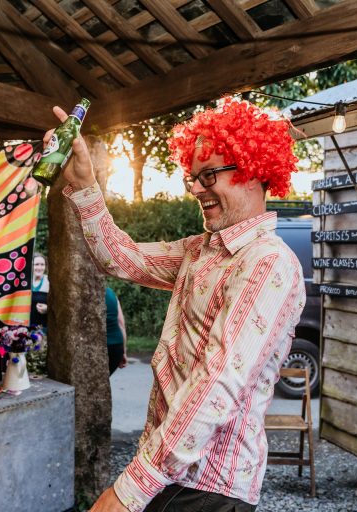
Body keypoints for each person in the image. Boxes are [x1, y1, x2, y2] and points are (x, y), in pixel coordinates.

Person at [46, 97, 305, 512]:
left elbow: (218, 383)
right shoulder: (200, 251)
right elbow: (119, 257)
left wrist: (128, 490)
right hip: (172, 473)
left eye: (209, 175)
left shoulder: (267, 263)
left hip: (211, 488)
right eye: (193, 177)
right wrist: (84, 183)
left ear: (255, 171)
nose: (196, 189)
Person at [105, 287, 127, 375]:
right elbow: (121, 325)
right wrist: (124, 352)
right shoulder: (111, 293)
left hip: (101, 347)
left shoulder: (86, 292)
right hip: (117, 348)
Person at [31, 253, 49, 330]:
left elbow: (59, 304)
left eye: (42, 265)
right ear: (31, 266)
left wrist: (47, 308)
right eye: (36, 264)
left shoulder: (49, 281)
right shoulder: (25, 282)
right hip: (26, 327)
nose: (39, 267)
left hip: (43, 328)